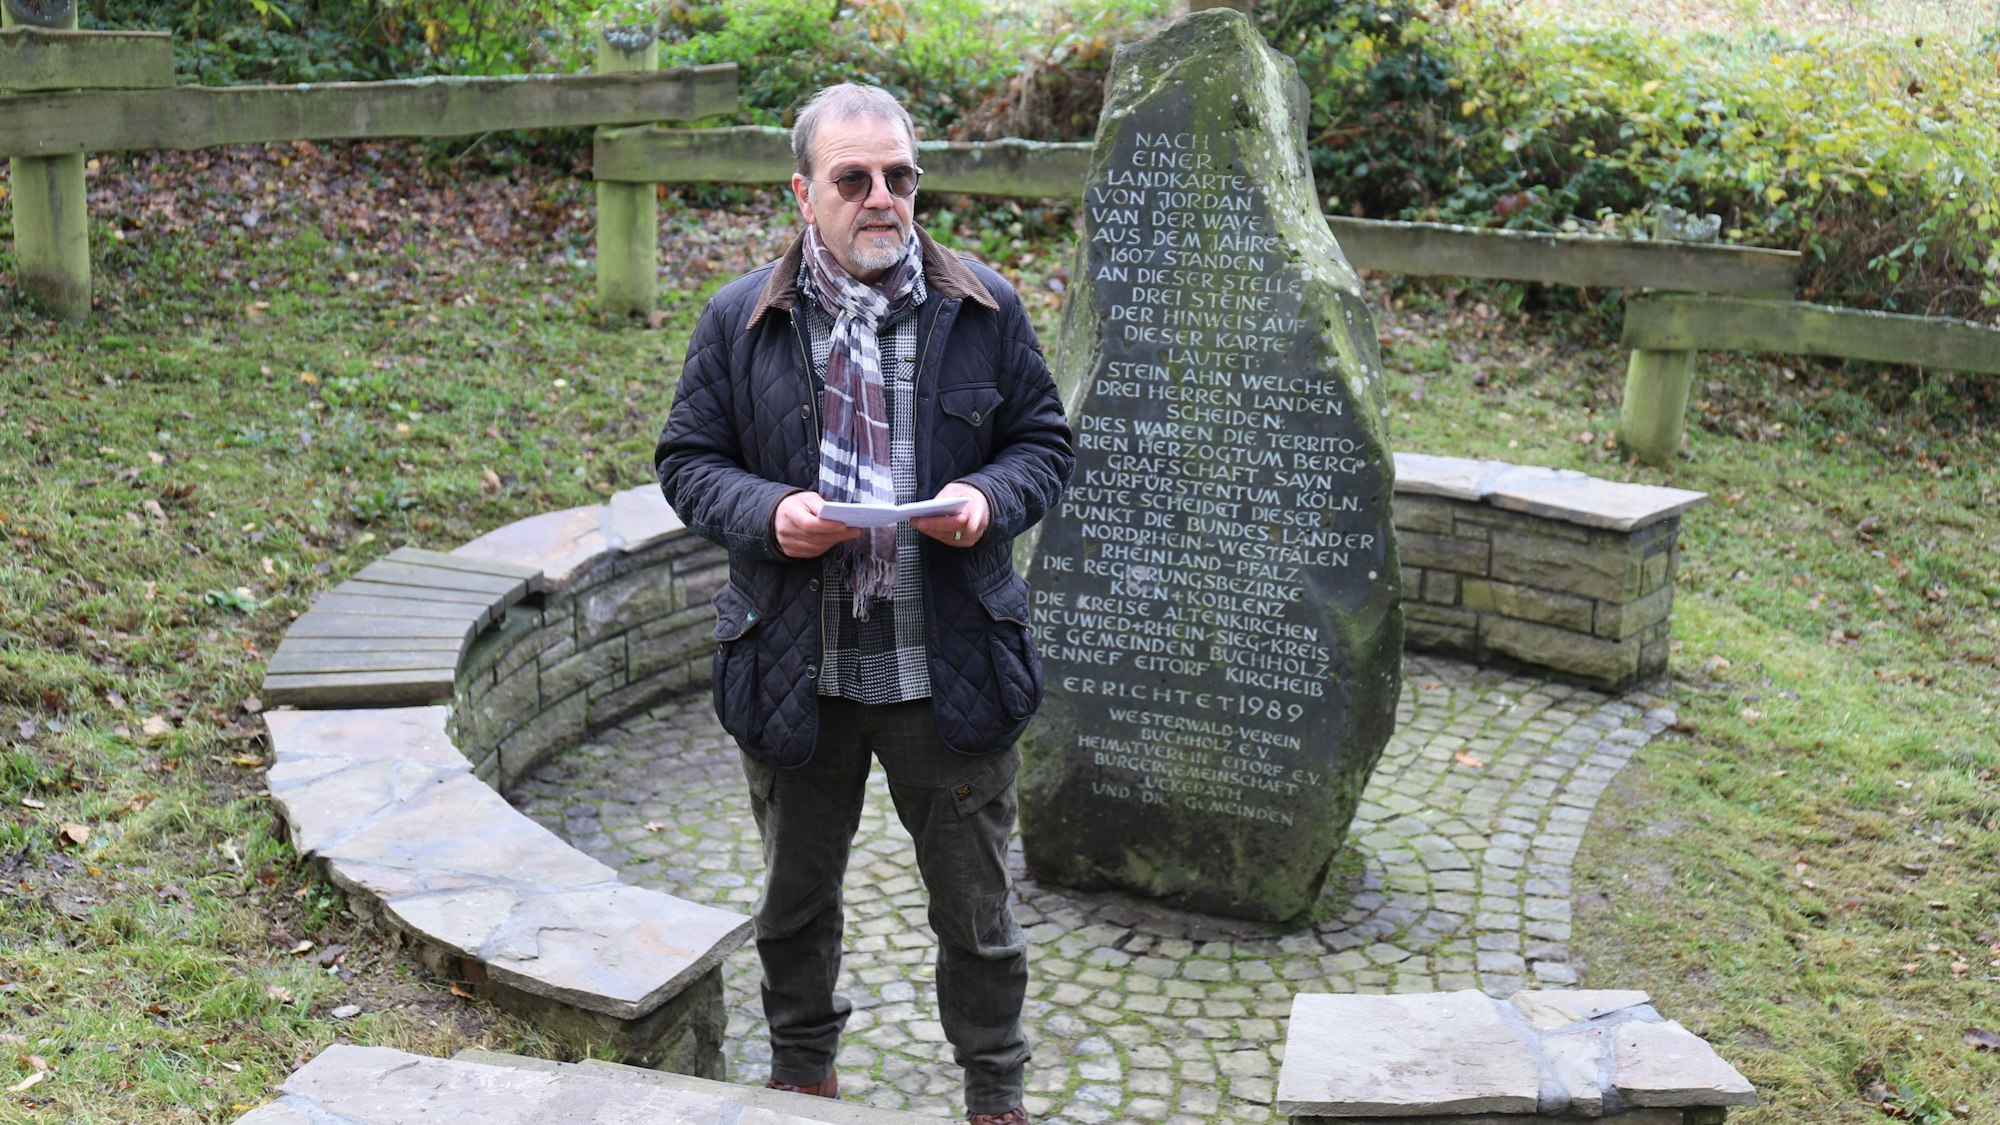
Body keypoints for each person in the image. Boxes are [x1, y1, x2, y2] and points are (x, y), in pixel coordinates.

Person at [654, 82, 1074, 1125]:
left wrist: (987, 497)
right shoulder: (740, 319)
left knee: (976, 914)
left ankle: (993, 1093)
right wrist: (769, 513)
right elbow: (688, 461)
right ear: (804, 193)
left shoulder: (983, 307)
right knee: (793, 909)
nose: (880, 197)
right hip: (800, 665)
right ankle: (802, 1076)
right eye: (853, 179)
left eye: (899, 176)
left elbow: (1044, 445)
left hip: (952, 666)